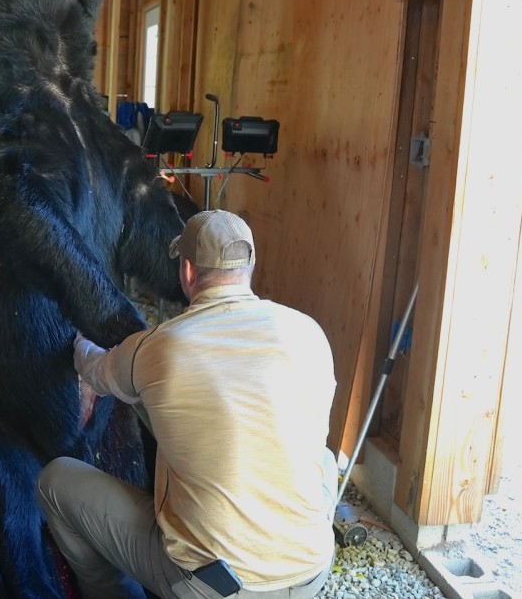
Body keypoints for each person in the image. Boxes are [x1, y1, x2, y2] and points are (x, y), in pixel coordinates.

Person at [38, 209, 338, 599]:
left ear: (189, 272)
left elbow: (95, 371)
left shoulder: (162, 345)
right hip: (312, 570)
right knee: (328, 460)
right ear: (249, 266)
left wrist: (79, 339)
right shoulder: (308, 332)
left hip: (214, 587)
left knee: (55, 481)